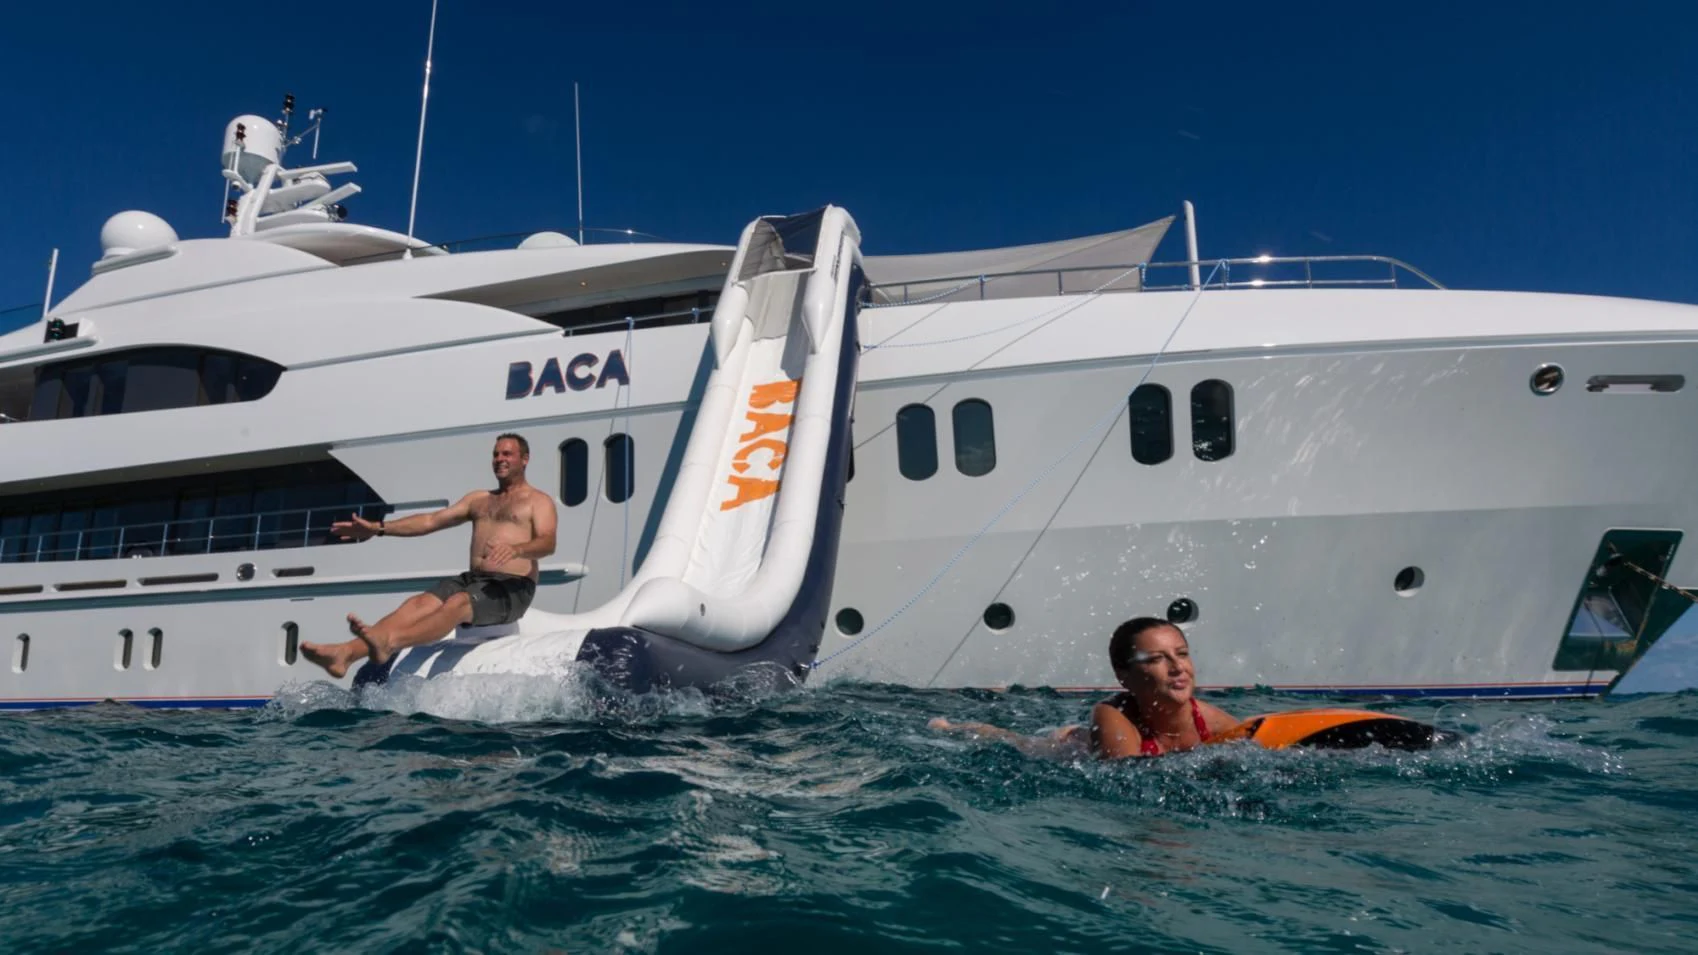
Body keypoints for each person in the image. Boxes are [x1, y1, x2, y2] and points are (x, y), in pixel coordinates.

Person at [301, 433, 558, 679]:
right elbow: (429, 521)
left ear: (525, 459)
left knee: (458, 603)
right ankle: (345, 653)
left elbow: (548, 542)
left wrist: (518, 549)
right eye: (495, 454)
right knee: (419, 604)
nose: (499, 458)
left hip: (512, 586)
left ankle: (389, 643)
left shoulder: (537, 501)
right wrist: (378, 529)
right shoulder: (479, 499)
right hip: (474, 579)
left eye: (507, 454)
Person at [929, 617, 1238, 758]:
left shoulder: (1211, 720)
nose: (1177, 667)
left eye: (1182, 654)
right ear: (1123, 676)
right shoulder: (1112, 716)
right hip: (1071, 747)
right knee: (1020, 743)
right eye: (1157, 659)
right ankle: (951, 727)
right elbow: (1126, 776)